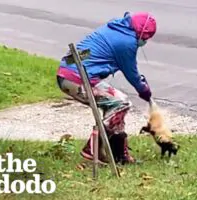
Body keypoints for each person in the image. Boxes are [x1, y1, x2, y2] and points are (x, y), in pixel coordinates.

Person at [56, 11, 157, 165]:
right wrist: (144, 90)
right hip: (77, 78)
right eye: (145, 38)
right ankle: (92, 149)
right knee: (121, 103)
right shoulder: (127, 42)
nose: (144, 42)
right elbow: (131, 73)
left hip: (68, 72)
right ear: (141, 33)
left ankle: (117, 154)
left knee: (113, 107)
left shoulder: (115, 28)